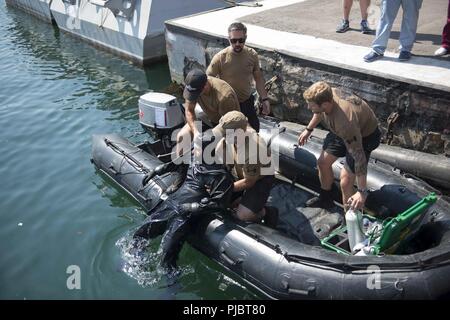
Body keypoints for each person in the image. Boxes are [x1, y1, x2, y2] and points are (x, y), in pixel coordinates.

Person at [297, 81, 381, 212]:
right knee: (323, 162)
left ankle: (350, 218)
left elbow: (359, 157)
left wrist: (362, 191)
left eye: (311, 105)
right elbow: (318, 111)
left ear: (325, 104)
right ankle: (326, 199)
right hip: (340, 132)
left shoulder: (345, 122)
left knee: (346, 181)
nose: (308, 107)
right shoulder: (328, 94)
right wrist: (309, 129)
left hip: (364, 137)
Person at [212, 111, 277, 226]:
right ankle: (239, 199)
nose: (223, 136)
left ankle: (267, 212)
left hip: (259, 179)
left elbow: (249, 182)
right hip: (239, 171)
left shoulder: (253, 151)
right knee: (219, 199)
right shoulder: (236, 134)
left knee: (243, 216)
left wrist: (225, 189)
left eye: (226, 134)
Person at [206, 22, 270, 132]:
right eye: (233, 40)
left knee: (254, 130)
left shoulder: (252, 55)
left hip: (247, 102)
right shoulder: (220, 58)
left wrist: (265, 99)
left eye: (241, 40)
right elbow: (207, 80)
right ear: (228, 39)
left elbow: (258, 78)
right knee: (232, 138)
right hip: (228, 106)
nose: (237, 44)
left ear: (245, 38)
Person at [176, 69, 240, 157]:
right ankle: (181, 167)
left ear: (205, 86)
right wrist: (196, 133)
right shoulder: (194, 87)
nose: (193, 96)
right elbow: (189, 110)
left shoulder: (225, 96)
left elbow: (228, 124)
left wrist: (203, 140)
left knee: (218, 150)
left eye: (196, 93)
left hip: (229, 125)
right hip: (209, 118)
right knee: (181, 137)